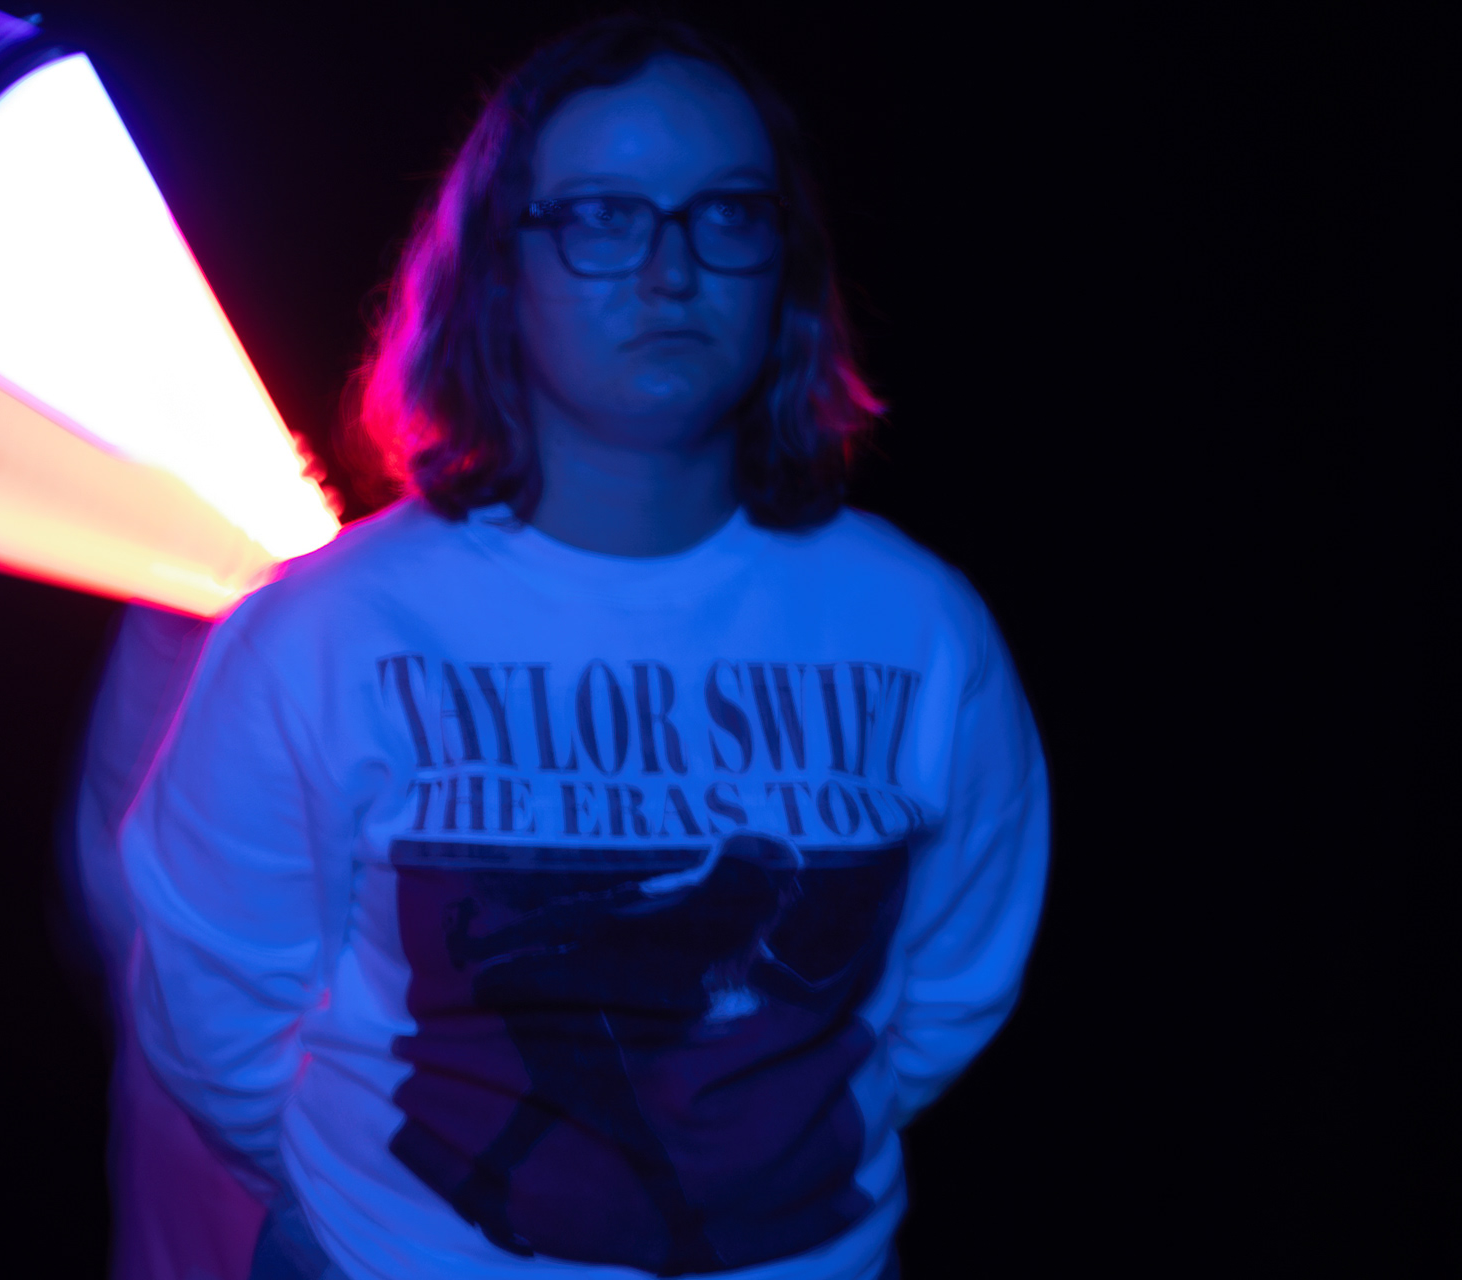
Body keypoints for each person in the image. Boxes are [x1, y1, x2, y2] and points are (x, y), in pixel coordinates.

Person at [112, 15, 1048, 1279]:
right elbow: (215, 1009)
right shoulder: (327, 629)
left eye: (727, 214)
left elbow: (951, 988)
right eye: (604, 217)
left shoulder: (921, 629)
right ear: (501, 266)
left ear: (784, 263)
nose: (670, 269)